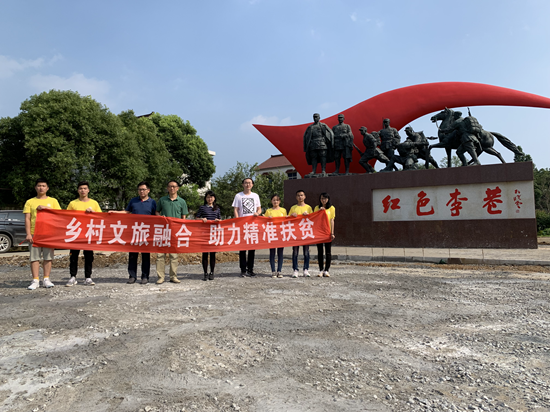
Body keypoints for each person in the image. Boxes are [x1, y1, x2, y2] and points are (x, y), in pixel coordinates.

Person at [109, 182, 156, 285]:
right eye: (140, 189)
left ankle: (145, 276)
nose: (141, 191)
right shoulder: (133, 201)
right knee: (132, 255)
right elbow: (127, 212)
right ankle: (132, 276)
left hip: (146, 232)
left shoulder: (152, 202)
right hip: (134, 231)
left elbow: (156, 216)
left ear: (148, 190)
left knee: (145, 256)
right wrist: (115, 212)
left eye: (143, 189)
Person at [23, 178, 61, 290]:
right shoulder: (30, 202)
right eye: (39, 186)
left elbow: (58, 214)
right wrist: (28, 234)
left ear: (47, 188)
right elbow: (27, 218)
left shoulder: (53, 201)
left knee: (48, 257)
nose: (41, 188)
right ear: (36, 187)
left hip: (49, 233)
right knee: (34, 258)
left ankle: (46, 279)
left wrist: (45, 208)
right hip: (35, 233)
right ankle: (35, 280)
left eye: (43, 186)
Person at [66, 181, 102, 287]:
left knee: (88, 256)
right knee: (73, 256)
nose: (83, 190)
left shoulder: (94, 203)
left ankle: (88, 277)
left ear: (88, 190)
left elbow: (101, 217)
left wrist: (93, 213)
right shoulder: (73, 203)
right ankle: (73, 276)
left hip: (88, 233)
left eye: (85, 188)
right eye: (81, 188)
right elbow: (66, 217)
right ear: (78, 190)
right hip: (76, 233)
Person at [155, 180, 188, 284]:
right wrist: (160, 217)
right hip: (163, 231)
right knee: (160, 255)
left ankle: (173, 276)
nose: (172, 188)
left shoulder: (182, 201)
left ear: (177, 188)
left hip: (175, 231)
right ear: (167, 188)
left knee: (174, 255)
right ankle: (161, 277)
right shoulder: (162, 200)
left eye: (174, 186)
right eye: (170, 186)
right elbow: (157, 211)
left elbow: (183, 217)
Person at [232, 177, 262, 277]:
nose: (248, 184)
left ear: (252, 185)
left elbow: (259, 209)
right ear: (243, 184)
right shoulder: (238, 196)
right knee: (242, 249)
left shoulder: (255, 196)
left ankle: (250, 269)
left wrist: (257, 213)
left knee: (252, 248)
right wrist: (237, 221)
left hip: (252, 225)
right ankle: (243, 269)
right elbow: (236, 210)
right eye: (246, 183)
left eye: (249, 183)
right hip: (242, 225)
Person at [196, 190, 222, 281]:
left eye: (211, 197)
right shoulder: (202, 208)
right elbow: (196, 218)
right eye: (208, 197)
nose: (209, 199)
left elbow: (220, 219)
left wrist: (218, 221)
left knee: (213, 254)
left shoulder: (217, 208)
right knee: (205, 254)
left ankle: (212, 272)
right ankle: (205, 273)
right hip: (204, 233)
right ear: (205, 198)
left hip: (214, 233)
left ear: (214, 198)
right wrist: (202, 219)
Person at [288, 190, 313, 278]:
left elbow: (313, 219)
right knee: (295, 252)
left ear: (305, 196)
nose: (300, 197)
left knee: (306, 252)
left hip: (305, 232)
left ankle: (306, 269)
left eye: (302, 195)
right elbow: (287, 219)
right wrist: (292, 215)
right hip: (296, 233)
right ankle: (295, 270)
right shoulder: (293, 208)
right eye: (298, 195)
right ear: (296, 197)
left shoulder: (308, 207)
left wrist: (308, 215)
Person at [303, 113, 334, 177]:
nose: (315, 118)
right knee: (314, 157)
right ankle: (313, 171)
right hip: (313, 144)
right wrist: (306, 146)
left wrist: (330, 142)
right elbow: (305, 136)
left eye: (316, 117)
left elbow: (331, 133)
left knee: (323, 156)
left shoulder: (323, 125)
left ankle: (323, 170)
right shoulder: (310, 127)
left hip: (322, 143)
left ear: (319, 118)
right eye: (314, 117)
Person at [264, 194, 287, 278]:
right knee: (272, 253)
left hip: (281, 233)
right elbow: (264, 222)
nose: (275, 202)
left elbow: (286, 221)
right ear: (271, 201)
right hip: (272, 233)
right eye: (274, 200)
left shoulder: (283, 210)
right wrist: (267, 218)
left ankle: (279, 271)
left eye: (277, 200)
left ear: (279, 201)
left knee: (280, 253)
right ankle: (273, 271)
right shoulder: (268, 211)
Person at [314, 192, 335, 277]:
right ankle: (321, 269)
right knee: (320, 252)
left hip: (327, 232)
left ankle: (326, 270)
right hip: (319, 232)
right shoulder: (317, 208)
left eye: (325, 198)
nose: (323, 200)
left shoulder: (331, 208)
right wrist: (319, 211)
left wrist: (332, 233)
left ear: (328, 199)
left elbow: (332, 220)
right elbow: (314, 219)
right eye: (322, 198)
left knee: (328, 252)